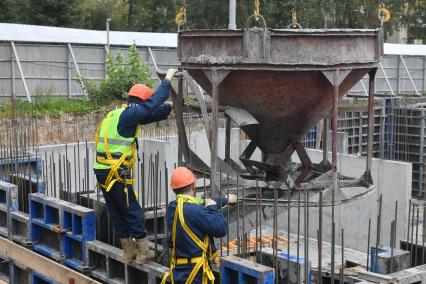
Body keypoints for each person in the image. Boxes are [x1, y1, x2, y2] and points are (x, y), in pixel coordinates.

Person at [93, 68, 178, 265]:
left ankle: (128, 251)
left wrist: (170, 108)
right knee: (132, 210)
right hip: (116, 173)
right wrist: (167, 80)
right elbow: (153, 104)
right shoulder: (130, 115)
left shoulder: (117, 114)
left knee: (116, 210)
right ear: (141, 101)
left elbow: (150, 113)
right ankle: (143, 251)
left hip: (102, 171)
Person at [162, 167, 238, 284]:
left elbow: (200, 204)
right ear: (193, 186)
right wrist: (212, 207)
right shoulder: (196, 211)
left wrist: (225, 199)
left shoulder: (172, 208)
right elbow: (221, 228)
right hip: (196, 273)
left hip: (179, 271)